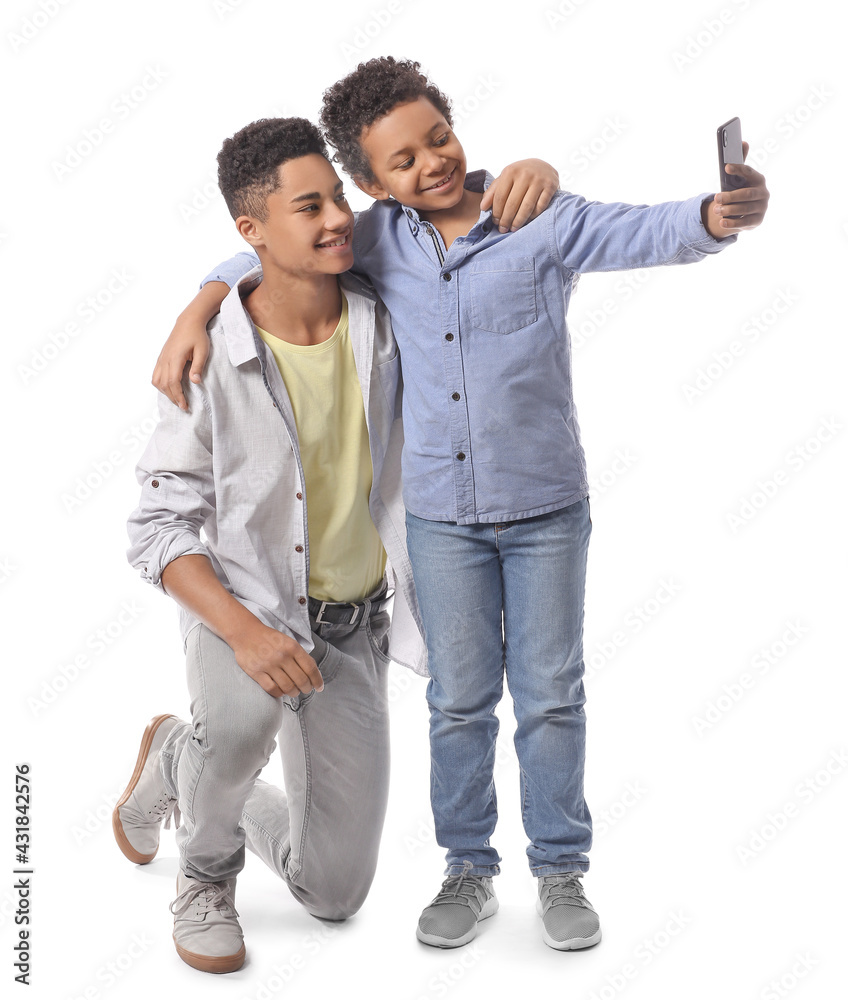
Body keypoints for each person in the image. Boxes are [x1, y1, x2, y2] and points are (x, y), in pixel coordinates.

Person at [149, 57, 770, 952]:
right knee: (459, 700)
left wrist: (721, 214)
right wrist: (200, 302)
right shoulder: (374, 240)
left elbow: (653, 230)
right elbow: (273, 245)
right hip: (440, 521)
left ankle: (561, 871)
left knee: (552, 694)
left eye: (438, 138)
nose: (430, 164)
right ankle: (467, 868)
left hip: (547, 509)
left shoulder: (539, 215)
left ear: (454, 128)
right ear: (372, 185)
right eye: (401, 162)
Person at [114, 116, 430, 974]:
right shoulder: (208, 357)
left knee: (334, 893)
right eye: (308, 206)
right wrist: (248, 635)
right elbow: (157, 527)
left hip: (354, 624)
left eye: (337, 197)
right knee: (243, 719)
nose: (336, 217)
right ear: (251, 230)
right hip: (243, 607)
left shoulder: (384, 318)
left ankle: (177, 759)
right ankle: (206, 874)